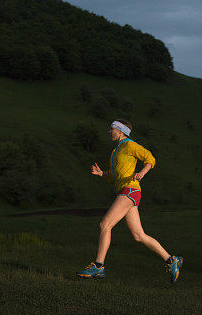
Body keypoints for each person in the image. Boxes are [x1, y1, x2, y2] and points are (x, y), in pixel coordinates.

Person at [76, 119, 183, 283]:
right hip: (127, 192)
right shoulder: (116, 150)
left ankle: (98, 267)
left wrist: (142, 173)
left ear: (120, 131)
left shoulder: (129, 145)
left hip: (130, 190)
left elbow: (150, 158)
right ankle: (171, 260)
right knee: (139, 236)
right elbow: (114, 176)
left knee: (105, 224)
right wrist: (101, 174)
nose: (109, 132)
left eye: (111, 129)